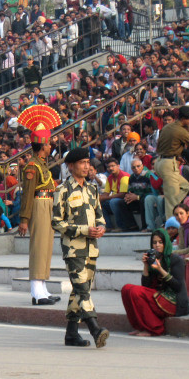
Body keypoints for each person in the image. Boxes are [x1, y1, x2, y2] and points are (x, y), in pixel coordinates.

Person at [52, 148, 109, 348]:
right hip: (73, 248)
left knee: (79, 291)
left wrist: (101, 227)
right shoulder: (62, 190)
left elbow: (99, 215)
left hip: (91, 248)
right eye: (82, 162)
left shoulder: (92, 189)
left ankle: (71, 334)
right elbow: (56, 222)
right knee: (83, 290)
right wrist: (84, 230)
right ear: (70, 166)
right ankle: (95, 329)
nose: (87, 166)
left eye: (88, 162)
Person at [17, 104, 62, 305]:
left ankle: (42, 288)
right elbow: (27, 195)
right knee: (38, 247)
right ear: (42, 145)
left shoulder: (41, 164)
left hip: (47, 205)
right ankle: (36, 290)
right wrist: (24, 219)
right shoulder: (32, 167)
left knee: (45, 247)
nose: (51, 146)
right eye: (49, 144)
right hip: (38, 206)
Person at [121, 228, 189, 336]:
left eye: (160, 242)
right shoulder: (153, 258)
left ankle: (155, 328)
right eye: (154, 242)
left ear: (166, 243)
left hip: (173, 302)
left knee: (136, 292)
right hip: (158, 296)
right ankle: (140, 326)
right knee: (126, 289)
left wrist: (160, 269)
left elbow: (178, 286)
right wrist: (146, 266)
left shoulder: (175, 260)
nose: (157, 245)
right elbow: (146, 286)